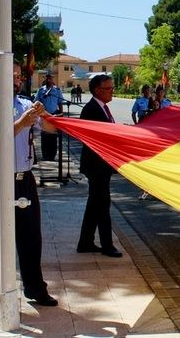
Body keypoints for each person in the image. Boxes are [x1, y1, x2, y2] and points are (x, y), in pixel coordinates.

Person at [0, 60, 58, 317]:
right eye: (12, 74)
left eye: (19, 75)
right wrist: (22, 121)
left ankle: (35, 288)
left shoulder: (25, 104)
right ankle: (1, 296)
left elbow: (52, 129)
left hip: (24, 179)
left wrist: (42, 115)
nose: (17, 79)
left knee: (31, 238)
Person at [77, 74, 122, 258]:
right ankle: (107, 245)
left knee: (95, 205)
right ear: (98, 90)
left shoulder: (101, 108)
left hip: (100, 165)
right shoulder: (92, 110)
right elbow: (98, 138)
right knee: (102, 205)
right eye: (109, 88)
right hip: (96, 166)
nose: (112, 91)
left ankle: (85, 242)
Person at [34, 72, 63, 160]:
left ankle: (52, 155)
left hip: (54, 115)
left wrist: (61, 114)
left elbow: (60, 103)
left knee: (53, 136)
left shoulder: (57, 90)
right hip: (44, 115)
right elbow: (36, 101)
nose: (49, 80)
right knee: (45, 135)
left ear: (53, 79)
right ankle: (45, 154)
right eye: (47, 78)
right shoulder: (41, 90)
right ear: (45, 79)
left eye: (50, 78)